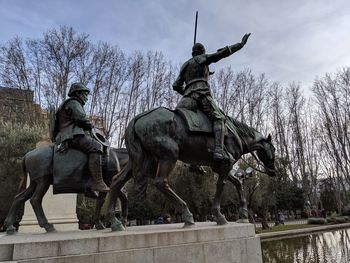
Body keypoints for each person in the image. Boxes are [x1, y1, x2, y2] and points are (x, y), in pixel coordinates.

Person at [172, 33, 251, 161]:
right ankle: (219, 150)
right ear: (202, 52)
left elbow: (176, 85)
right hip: (201, 94)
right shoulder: (201, 59)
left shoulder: (185, 66)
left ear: (193, 52)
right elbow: (221, 54)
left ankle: (193, 162)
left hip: (186, 99)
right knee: (219, 118)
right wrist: (240, 45)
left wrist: (187, 92)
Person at [54, 82, 110, 192]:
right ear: (78, 93)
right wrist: (90, 124)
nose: (87, 98)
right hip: (71, 136)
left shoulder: (71, 103)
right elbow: (81, 119)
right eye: (85, 94)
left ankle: (88, 184)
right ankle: (97, 182)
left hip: (69, 135)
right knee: (96, 146)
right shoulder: (74, 102)